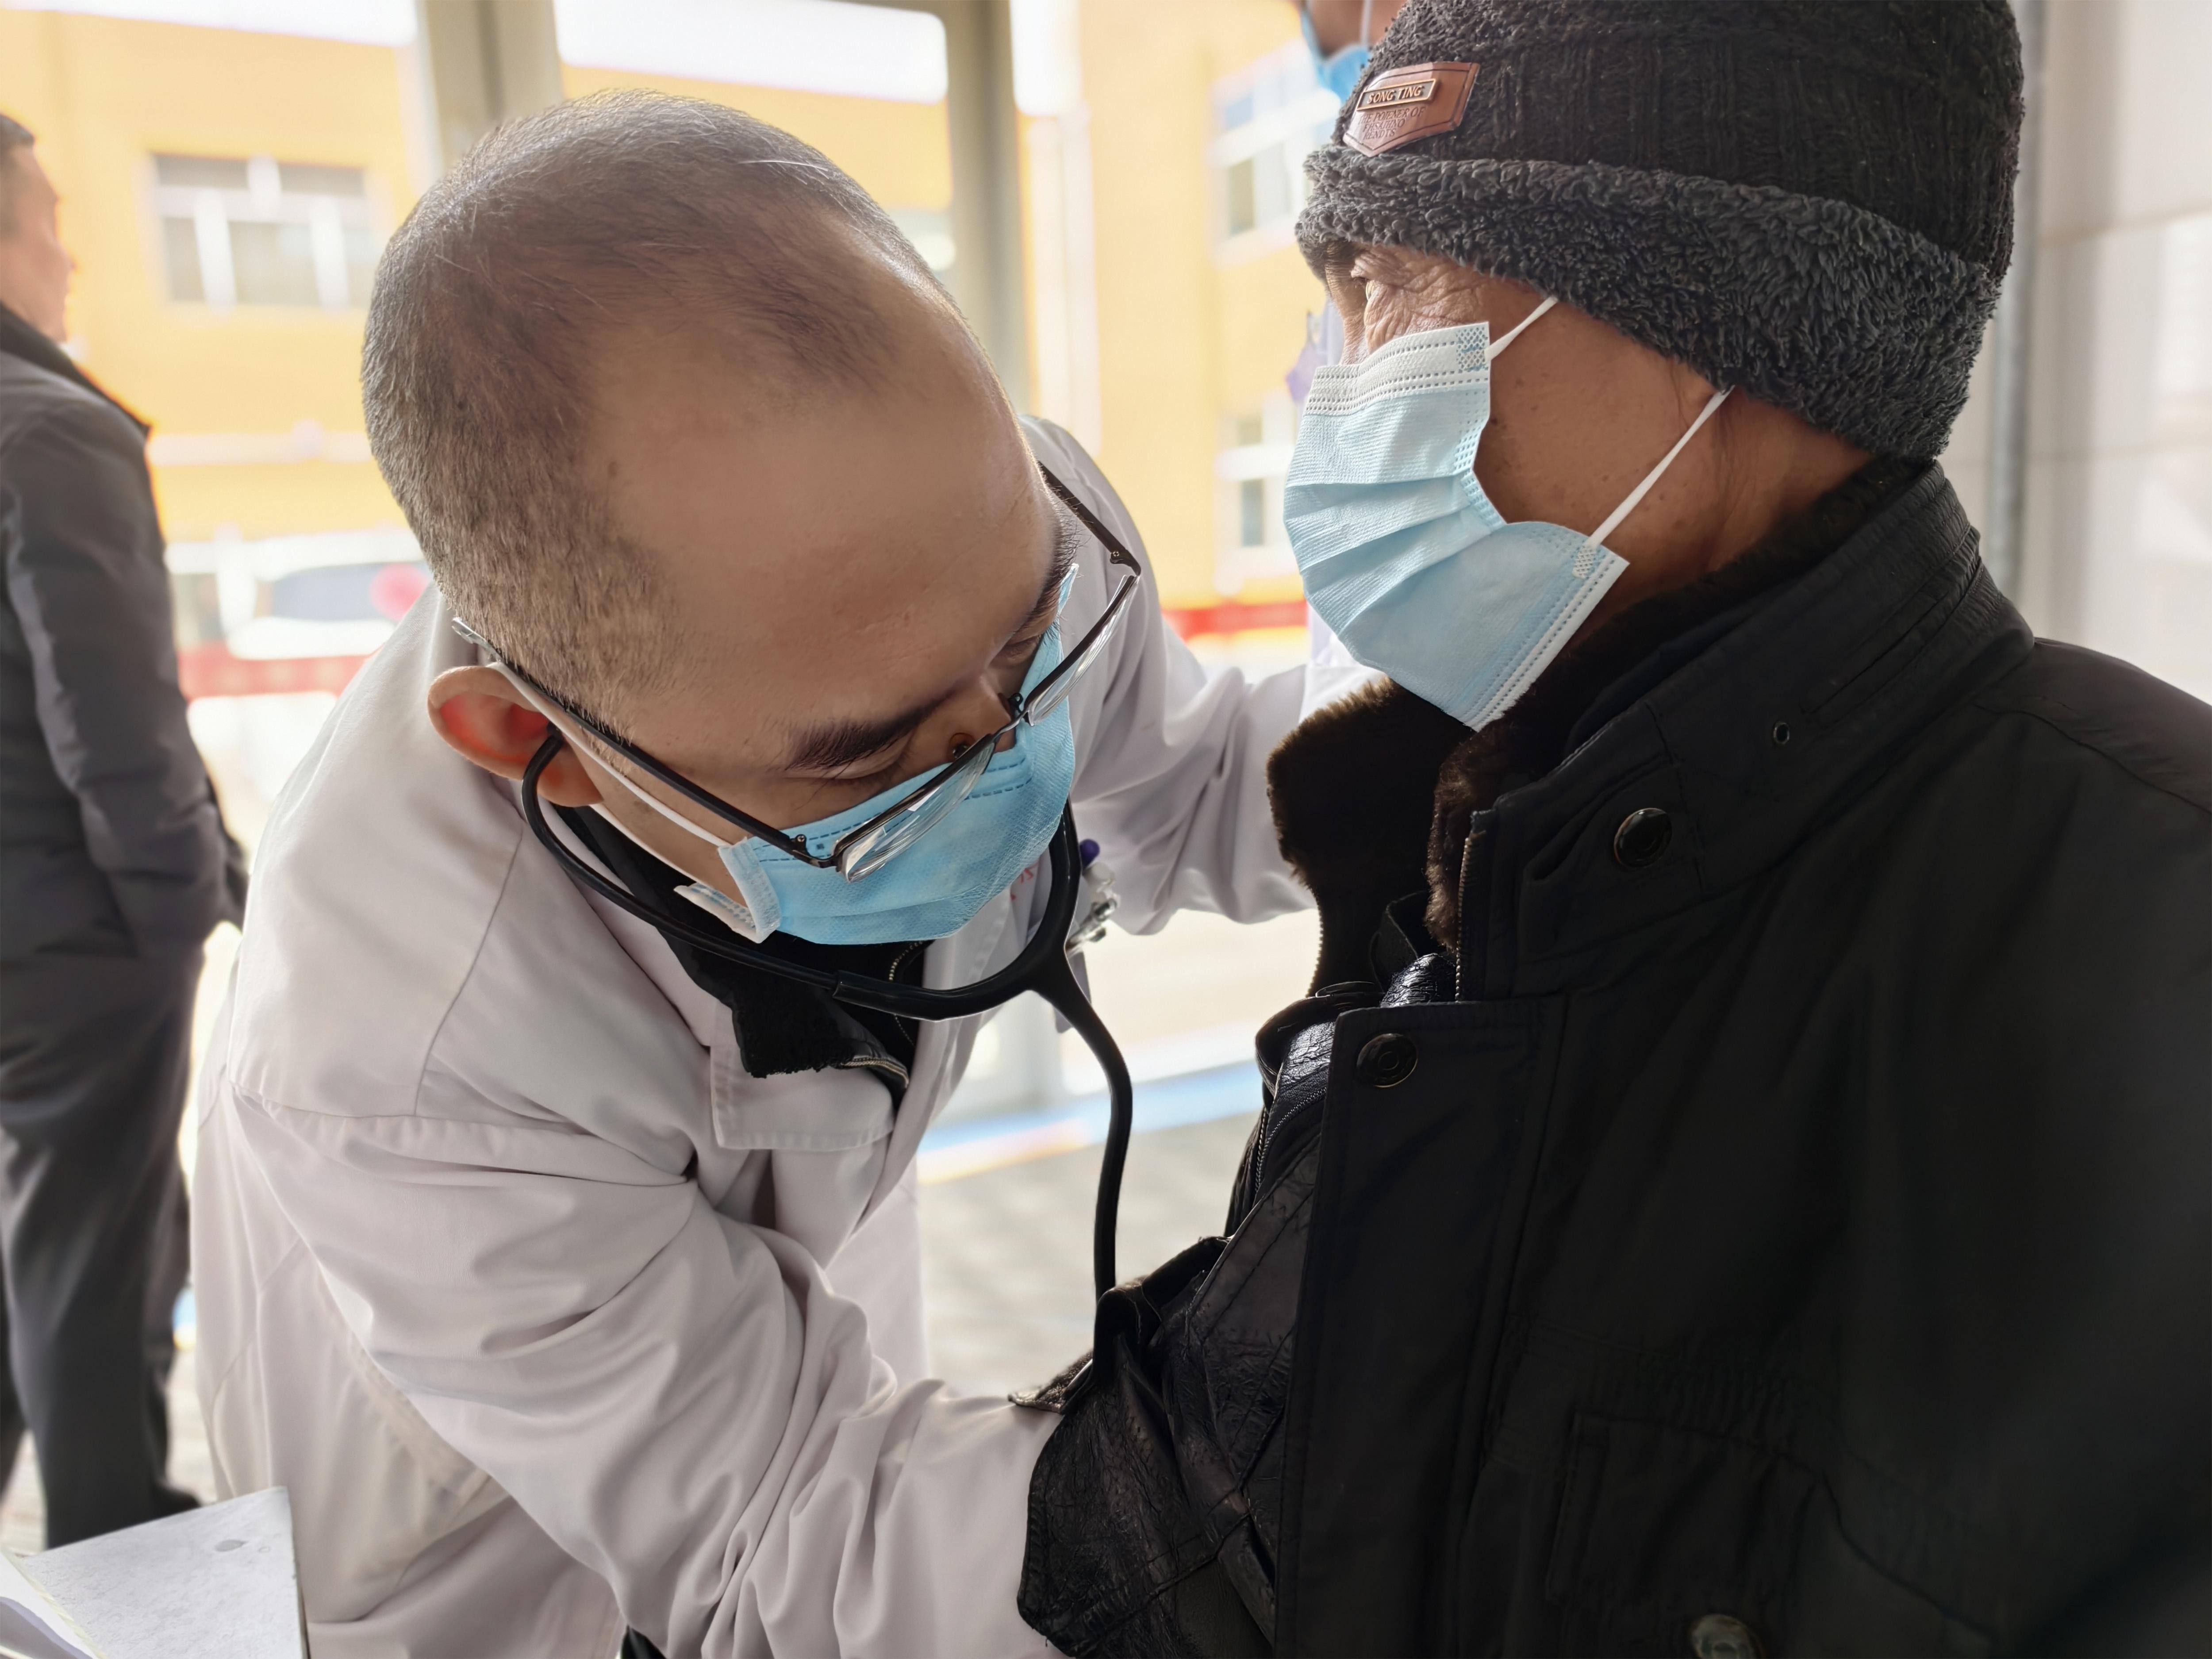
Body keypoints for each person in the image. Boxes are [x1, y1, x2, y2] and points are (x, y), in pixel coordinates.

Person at [1019, 3, 2211, 1654]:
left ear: (1721, 317)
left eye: (1391, 285)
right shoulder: (1483, 825)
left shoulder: (2158, 944)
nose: (1334, 383)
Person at [189, 92, 1310, 1657]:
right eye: (870, 758)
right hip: (485, 1558)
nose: (1008, 753)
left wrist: (1485, 787)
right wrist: (1251, 1494)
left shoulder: (970, 545)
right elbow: (792, 1534)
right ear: (547, 748)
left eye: (1023, 649)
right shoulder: (404, 1052)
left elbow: (1188, 787)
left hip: (803, 1349)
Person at [0, 114, 244, 1544]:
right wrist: (177, 916)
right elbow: (116, 724)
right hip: (76, 941)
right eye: (47, 219)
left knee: (39, 1243)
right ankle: (118, 1550)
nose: (70, 256)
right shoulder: (54, 432)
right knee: (101, 1266)